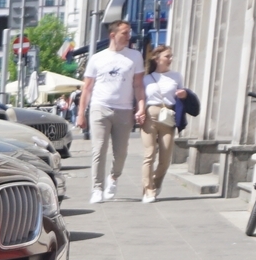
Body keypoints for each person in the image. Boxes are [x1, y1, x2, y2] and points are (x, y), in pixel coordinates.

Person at [76, 21, 143, 201]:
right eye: (125, 33)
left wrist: (140, 107)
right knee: (99, 149)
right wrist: (81, 113)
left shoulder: (135, 56)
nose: (129, 36)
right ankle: (97, 188)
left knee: (121, 152)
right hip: (100, 107)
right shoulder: (97, 58)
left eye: (129, 33)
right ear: (112, 35)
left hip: (124, 109)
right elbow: (87, 88)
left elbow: (138, 84)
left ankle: (113, 177)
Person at [139, 44, 188, 203]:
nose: (170, 59)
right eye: (167, 56)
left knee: (165, 159)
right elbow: (140, 98)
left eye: (171, 56)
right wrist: (139, 112)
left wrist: (183, 94)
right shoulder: (146, 78)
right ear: (157, 58)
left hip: (168, 117)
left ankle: (154, 181)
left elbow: (183, 97)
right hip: (150, 116)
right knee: (149, 154)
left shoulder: (176, 76)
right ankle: (148, 190)